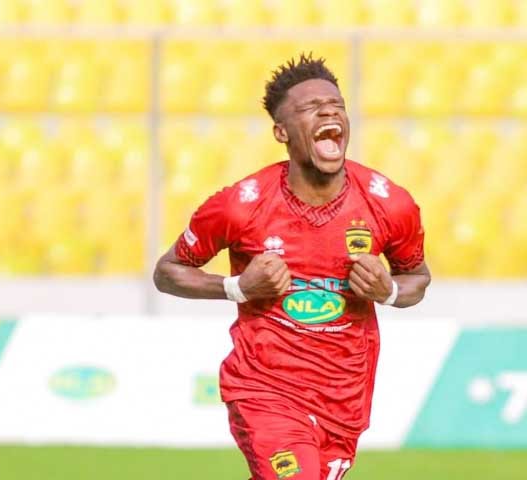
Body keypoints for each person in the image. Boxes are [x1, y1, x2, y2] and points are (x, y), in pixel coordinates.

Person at [153, 53, 430, 480]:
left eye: (336, 105)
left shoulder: (389, 203)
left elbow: (417, 277)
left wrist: (388, 291)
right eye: (311, 107)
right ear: (281, 132)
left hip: (343, 400)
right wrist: (237, 287)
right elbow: (168, 271)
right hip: (265, 390)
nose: (328, 112)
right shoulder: (241, 205)